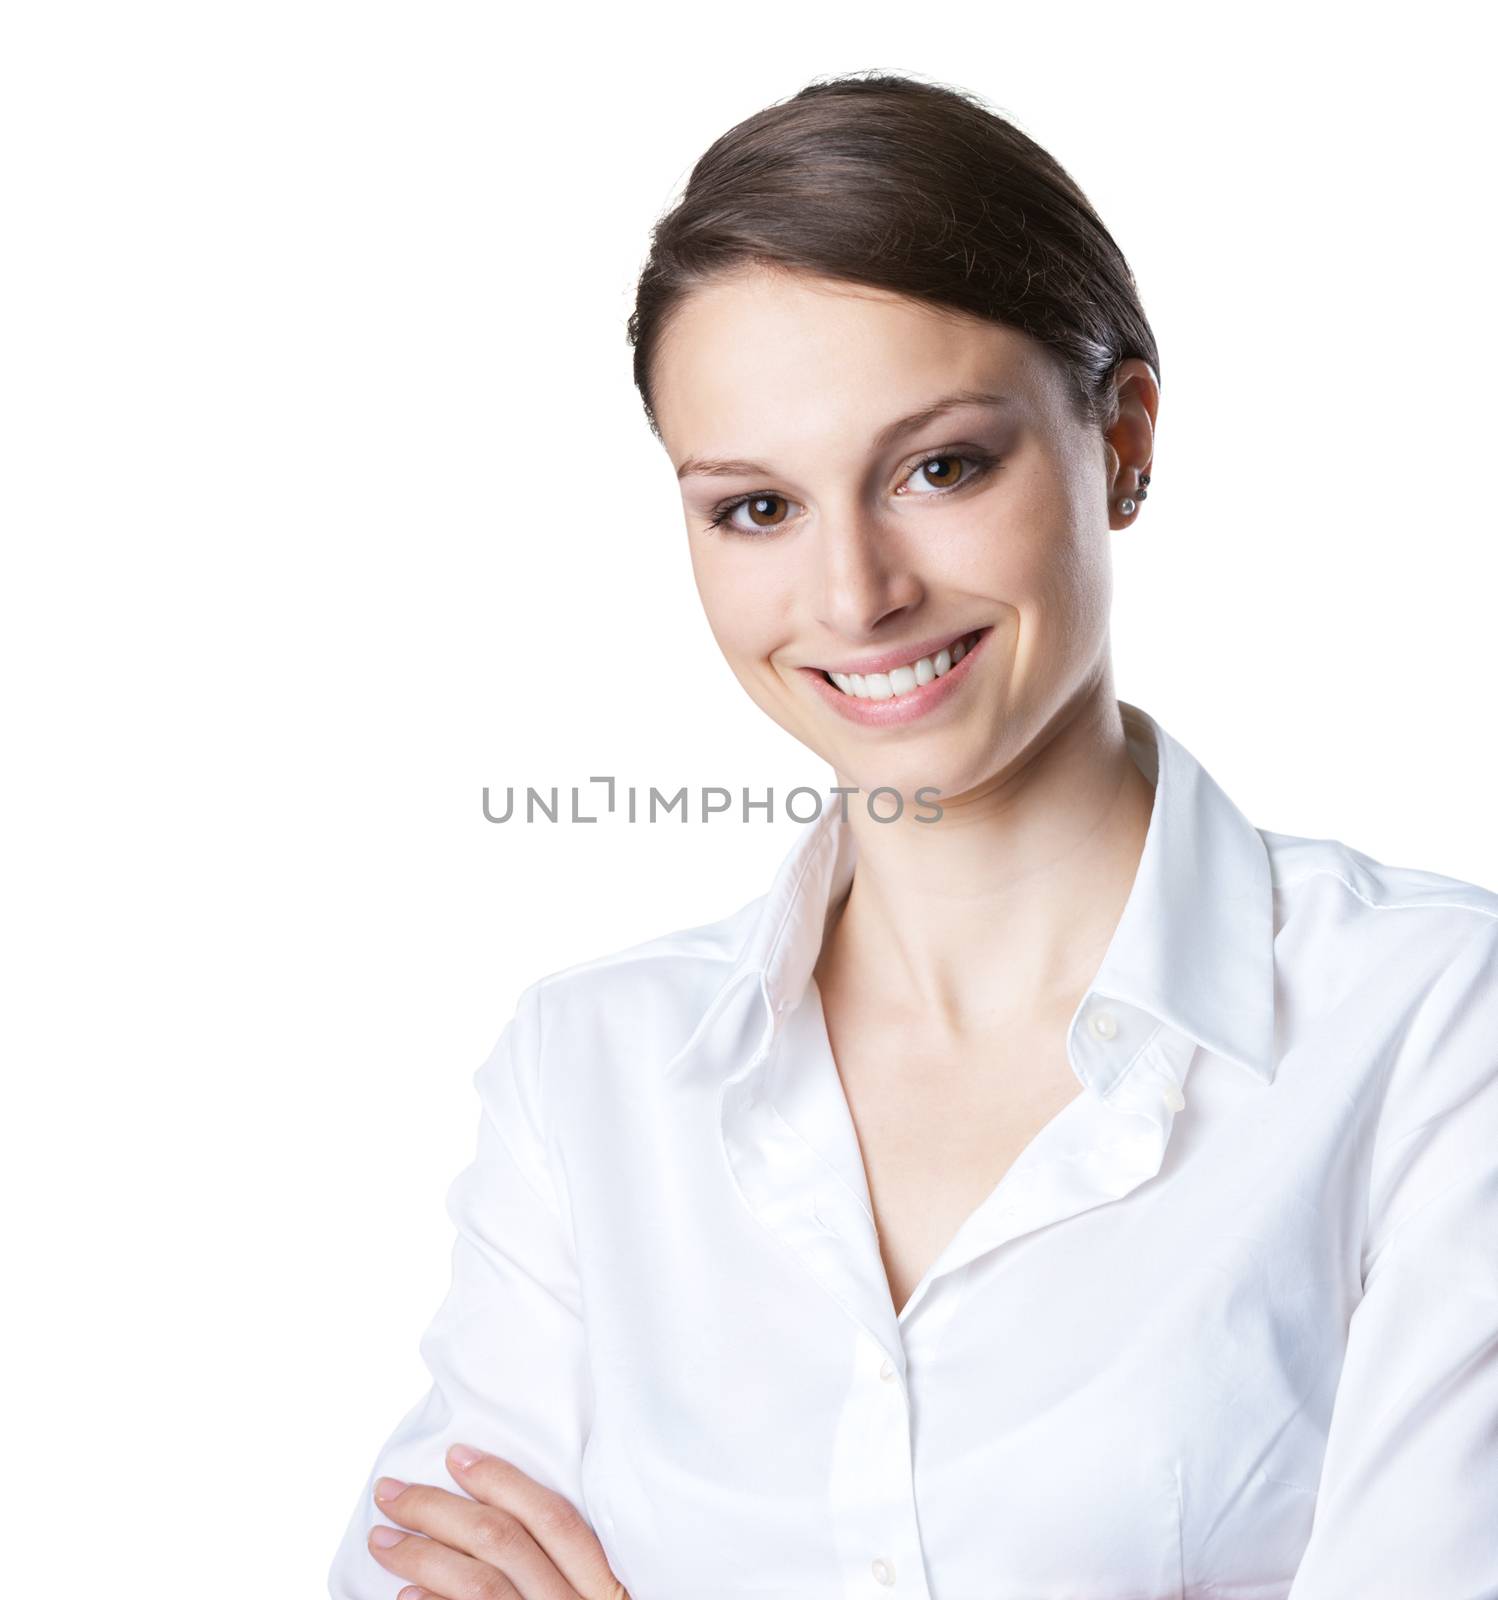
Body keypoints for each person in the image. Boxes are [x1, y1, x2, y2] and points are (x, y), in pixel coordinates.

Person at [329, 71, 1498, 1600]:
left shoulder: (1430, 1029)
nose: (852, 594)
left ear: (1121, 437)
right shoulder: (587, 1076)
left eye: (939, 466)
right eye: (754, 508)